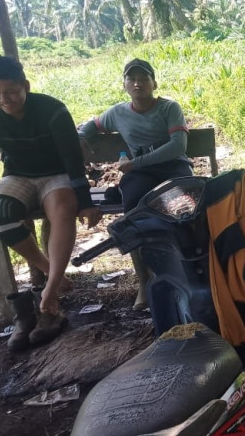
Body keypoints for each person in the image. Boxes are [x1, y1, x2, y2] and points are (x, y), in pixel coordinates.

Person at [0, 56, 101, 347]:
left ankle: (50, 292)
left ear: (26, 87)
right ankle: (48, 269)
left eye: (10, 92)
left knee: (63, 208)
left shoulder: (52, 109)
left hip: (56, 174)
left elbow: (72, 158)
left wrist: (85, 201)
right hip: (18, 175)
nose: (3, 99)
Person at [78, 59, 192, 308]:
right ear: (125, 85)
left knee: (185, 208)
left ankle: (191, 269)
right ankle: (144, 279)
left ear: (154, 83)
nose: (137, 83)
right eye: (132, 79)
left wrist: (137, 162)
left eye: (143, 79)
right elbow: (94, 125)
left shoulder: (169, 108)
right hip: (140, 173)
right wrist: (81, 136)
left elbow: (177, 146)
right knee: (132, 211)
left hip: (173, 166)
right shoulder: (117, 113)